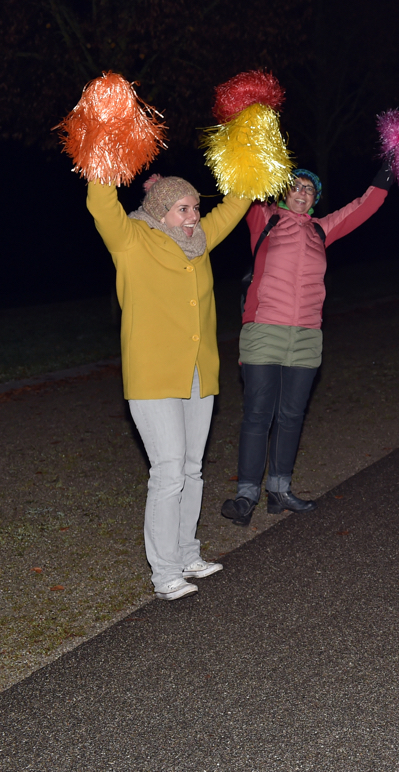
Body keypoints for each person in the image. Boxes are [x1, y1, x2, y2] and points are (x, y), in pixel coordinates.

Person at [88, 174, 252, 600]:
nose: (194, 216)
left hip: (198, 371)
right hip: (154, 375)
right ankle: (163, 575)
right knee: (167, 472)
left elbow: (235, 205)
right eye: (184, 208)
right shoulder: (132, 239)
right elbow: (101, 205)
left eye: (196, 208)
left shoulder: (198, 240)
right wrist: (103, 162)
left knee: (191, 469)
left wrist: (252, 166)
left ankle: (185, 553)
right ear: (161, 210)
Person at [220, 166, 394, 526]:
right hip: (265, 328)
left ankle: (280, 489)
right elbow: (243, 181)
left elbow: (364, 206)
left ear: (315, 200)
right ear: (283, 192)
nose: (301, 193)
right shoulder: (263, 218)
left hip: (307, 335)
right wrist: (249, 143)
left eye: (309, 190)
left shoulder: (321, 229)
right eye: (295, 187)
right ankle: (246, 495)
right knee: (258, 413)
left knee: (291, 415)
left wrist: (389, 169)